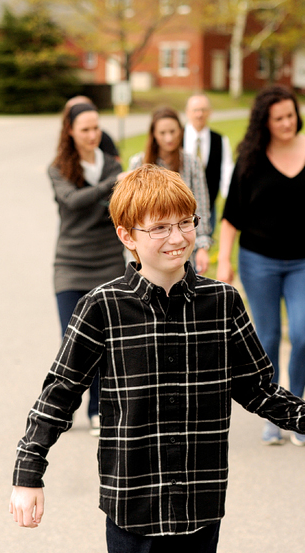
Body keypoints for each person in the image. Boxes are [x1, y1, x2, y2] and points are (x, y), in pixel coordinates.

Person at [9, 164, 305, 553]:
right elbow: (58, 395)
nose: (177, 238)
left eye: (185, 223)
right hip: (132, 507)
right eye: (159, 227)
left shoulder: (224, 303)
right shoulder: (101, 308)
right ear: (127, 236)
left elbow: (258, 389)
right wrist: (29, 475)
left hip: (201, 502)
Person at [217, 84, 305, 447]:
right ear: (265, 122)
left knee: (304, 335)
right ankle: (274, 415)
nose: (287, 123)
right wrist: (224, 260)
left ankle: (300, 410)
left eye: (291, 115)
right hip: (258, 261)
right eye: (279, 118)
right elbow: (231, 217)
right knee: (269, 338)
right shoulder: (250, 157)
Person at [49, 100, 126, 436]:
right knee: (74, 343)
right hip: (70, 264)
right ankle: (63, 407)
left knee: (106, 341)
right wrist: (109, 186)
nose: (93, 134)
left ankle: (98, 410)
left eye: (97, 128)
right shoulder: (59, 169)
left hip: (108, 262)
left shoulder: (111, 164)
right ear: (71, 132)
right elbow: (73, 202)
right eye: (85, 129)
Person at [128, 106, 212, 274]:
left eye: (173, 131)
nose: (169, 138)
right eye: (162, 133)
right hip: (151, 246)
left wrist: (202, 246)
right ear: (154, 135)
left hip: (182, 244)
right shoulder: (139, 163)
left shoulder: (191, 163)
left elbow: (201, 205)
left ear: (181, 131)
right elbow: (132, 213)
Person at [183, 93, 234, 232]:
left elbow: (227, 171)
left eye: (203, 110)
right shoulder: (177, 137)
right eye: (195, 110)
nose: (199, 114)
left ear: (210, 112)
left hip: (208, 208)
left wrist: (229, 200)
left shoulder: (220, 140)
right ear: (187, 112)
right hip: (179, 208)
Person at [65, 95, 120, 160]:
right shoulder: (62, 164)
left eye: (96, 128)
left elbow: (117, 160)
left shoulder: (104, 138)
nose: (92, 136)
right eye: (85, 130)